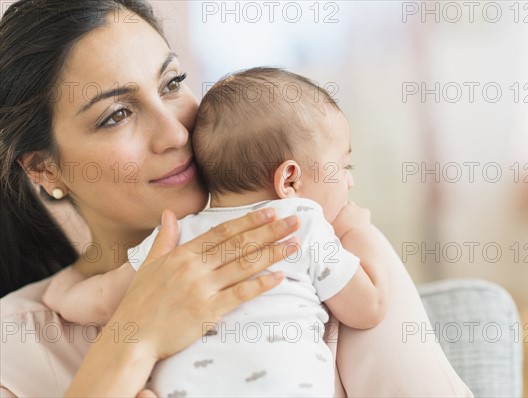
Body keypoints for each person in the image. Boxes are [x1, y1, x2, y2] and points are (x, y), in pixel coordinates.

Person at [0, 1, 474, 397]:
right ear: (43, 167)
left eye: (171, 84)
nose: (174, 131)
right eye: (116, 115)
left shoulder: (329, 243)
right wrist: (132, 344)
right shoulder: (15, 344)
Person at [41, 67, 390, 397]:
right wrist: (358, 230)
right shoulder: (305, 223)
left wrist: (60, 294)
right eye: (344, 167)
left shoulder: (175, 235)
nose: (350, 181)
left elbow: (103, 300)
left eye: (172, 82)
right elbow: (368, 308)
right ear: (290, 179)